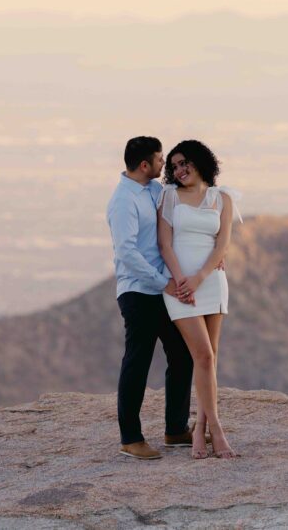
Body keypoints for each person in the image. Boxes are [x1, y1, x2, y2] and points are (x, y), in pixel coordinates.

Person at [106, 136, 198, 460]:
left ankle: (175, 430)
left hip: (160, 290)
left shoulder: (155, 191)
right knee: (138, 361)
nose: (164, 166)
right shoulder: (123, 201)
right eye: (160, 161)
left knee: (182, 353)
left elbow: (177, 224)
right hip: (138, 291)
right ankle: (130, 438)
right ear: (144, 165)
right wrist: (163, 282)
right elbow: (127, 253)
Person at [158, 139, 243, 459]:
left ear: (200, 162)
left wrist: (199, 278)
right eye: (174, 166)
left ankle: (199, 431)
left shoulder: (222, 198)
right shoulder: (169, 198)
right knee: (203, 356)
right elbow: (165, 245)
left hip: (211, 283)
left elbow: (222, 245)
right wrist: (182, 281)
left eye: (184, 163)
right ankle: (216, 430)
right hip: (181, 288)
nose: (179, 170)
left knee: (211, 358)